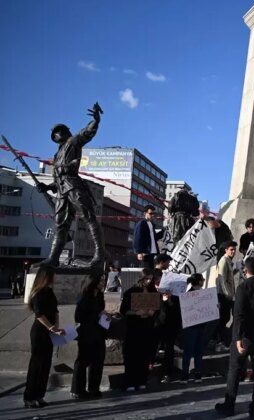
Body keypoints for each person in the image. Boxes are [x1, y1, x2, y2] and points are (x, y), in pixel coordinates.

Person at [36, 104, 104, 268]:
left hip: (73, 186)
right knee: (60, 225)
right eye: (54, 134)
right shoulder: (57, 154)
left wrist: (96, 120)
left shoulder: (73, 142)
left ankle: (99, 254)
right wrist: (47, 187)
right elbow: (58, 177)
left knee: (88, 217)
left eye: (58, 131)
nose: (56, 135)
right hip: (61, 191)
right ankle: (53, 258)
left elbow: (86, 133)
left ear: (65, 131)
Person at [215, 257, 254, 418]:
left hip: (245, 337)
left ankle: (229, 404)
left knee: (235, 370)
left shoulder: (243, 287)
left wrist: (236, 338)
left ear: (245, 270)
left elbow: (238, 315)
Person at [23, 266, 64, 408]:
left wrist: (56, 328)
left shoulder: (50, 292)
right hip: (40, 331)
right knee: (36, 364)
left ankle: (40, 395)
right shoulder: (37, 293)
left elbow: (56, 311)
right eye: (52, 276)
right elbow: (39, 314)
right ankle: (29, 397)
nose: (54, 278)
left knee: (46, 365)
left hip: (50, 331)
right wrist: (51, 327)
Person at [120, 270, 157, 391]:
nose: (149, 281)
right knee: (132, 356)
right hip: (133, 329)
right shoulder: (130, 292)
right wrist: (136, 313)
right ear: (140, 278)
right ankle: (130, 382)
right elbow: (123, 311)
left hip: (147, 328)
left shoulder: (152, 291)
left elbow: (156, 309)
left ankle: (142, 380)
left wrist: (153, 312)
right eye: (146, 279)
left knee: (144, 355)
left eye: (150, 279)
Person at [180, 274, 208, 383]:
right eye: (202, 280)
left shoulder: (202, 294)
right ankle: (187, 375)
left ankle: (196, 374)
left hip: (198, 326)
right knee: (191, 351)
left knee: (196, 351)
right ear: (199, 281)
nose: (203, 281)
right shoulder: (190, 295)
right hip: (192, 327)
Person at [155, 276, 182, 384]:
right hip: (157, 327)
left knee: (169, 350)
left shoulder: (175, 298)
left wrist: (169, 301)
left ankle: (167, 373)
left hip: (170, 328)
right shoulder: (153, 295)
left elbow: (177, 313)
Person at [215, 241, 238, 351]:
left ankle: (221, 341)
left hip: (227, 295)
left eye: (234, 249)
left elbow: (228, 276)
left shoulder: (228, 261)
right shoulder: (223, 261)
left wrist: (236, 270)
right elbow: (222, 280)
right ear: (226, 250)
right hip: (224, 296)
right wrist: (227, 294)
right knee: (223, 318)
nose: (233, 251)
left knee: (226, 318)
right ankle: (220, 343)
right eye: (231, 249)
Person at [134, 205, 163, 269]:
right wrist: (139, 252)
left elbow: (154, 238)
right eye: (151, 213)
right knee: (146, 274)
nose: (152, 215)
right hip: (145, 253)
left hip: (152, 253)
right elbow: (137, 238)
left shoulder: (151, 224)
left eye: (154, 213)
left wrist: (163, 231)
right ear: (145, 213)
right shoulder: (142, 223)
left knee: (151, 273)